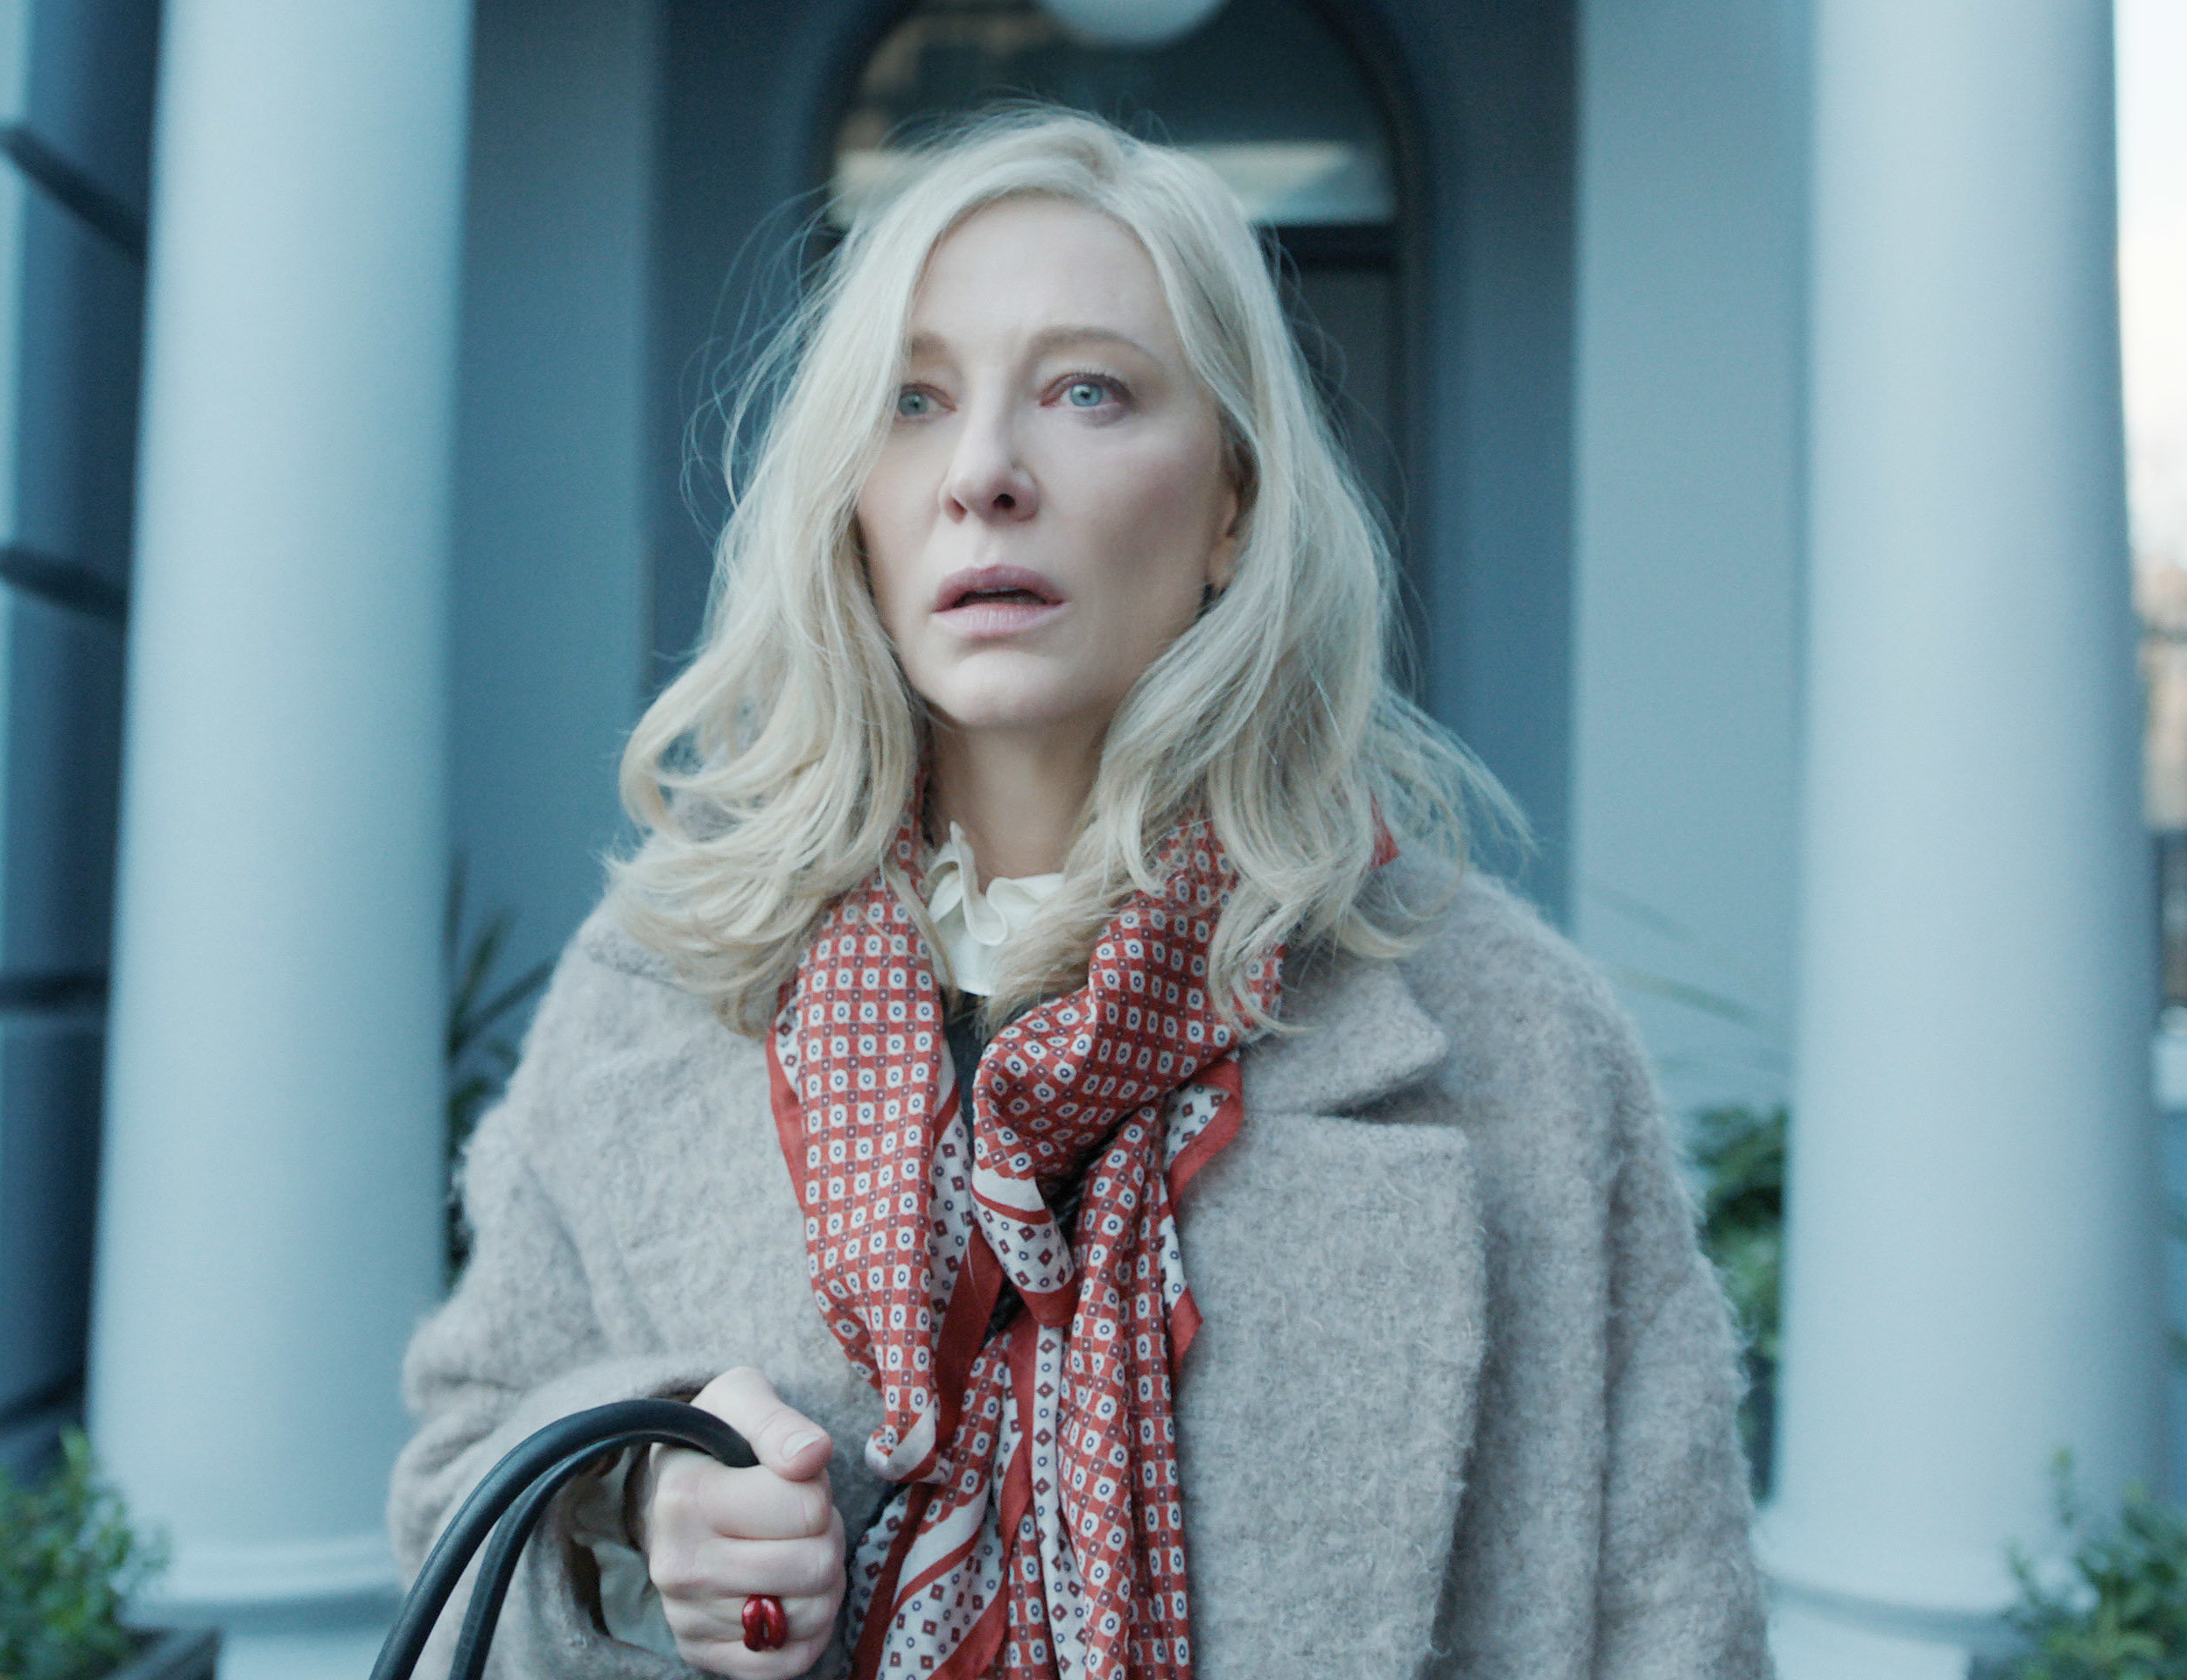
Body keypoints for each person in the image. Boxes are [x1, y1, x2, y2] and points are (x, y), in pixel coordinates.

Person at [388, 109, 1770, 1679]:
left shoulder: (1514, 1042)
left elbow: (1673, 1634)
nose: (982, 474)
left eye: (1086, 391)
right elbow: (457, 1477)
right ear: (849, 494)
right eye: (913, 402)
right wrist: (637, 1507)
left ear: (1233, 502)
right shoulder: (658, 985)